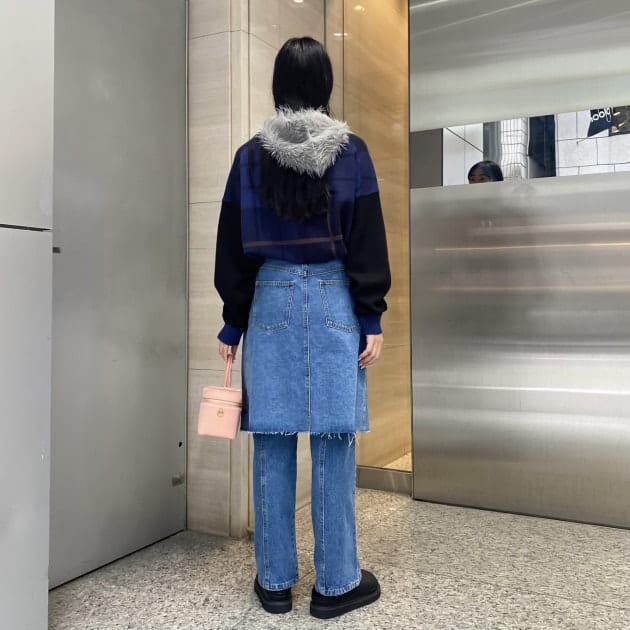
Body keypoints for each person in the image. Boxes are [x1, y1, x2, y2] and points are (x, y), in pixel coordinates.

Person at [214, 37, 391, 619]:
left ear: (278, 85)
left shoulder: (249, 157)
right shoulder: (353, 152)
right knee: (335, 441)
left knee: (271, 439)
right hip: (336, 299)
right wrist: (371, 314)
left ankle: (274, 583)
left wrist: (232, 324)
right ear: (325, 85)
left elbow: (232, 249)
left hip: (270, 302)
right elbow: (367, 238)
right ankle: (336, 584)